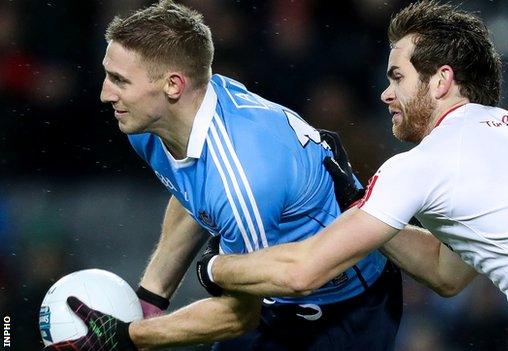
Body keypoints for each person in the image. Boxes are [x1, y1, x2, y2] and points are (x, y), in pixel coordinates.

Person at [199, 2, 508, 351]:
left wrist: (216, 268)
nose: (386, 93)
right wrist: (357, 201)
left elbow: (303, 272)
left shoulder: (428, 160)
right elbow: (447, 272)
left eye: (398, 77)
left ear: (442, 80)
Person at [43, 1, 402, 350]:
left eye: (120, 80)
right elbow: (193, 192)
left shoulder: (243, 177)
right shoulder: (158, 121)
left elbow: (240, 315)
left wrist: (129, 337)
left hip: (342, 311)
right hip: (275, 293)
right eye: (108, 74)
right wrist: (150, 302)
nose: (106, 93)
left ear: (172, 85)